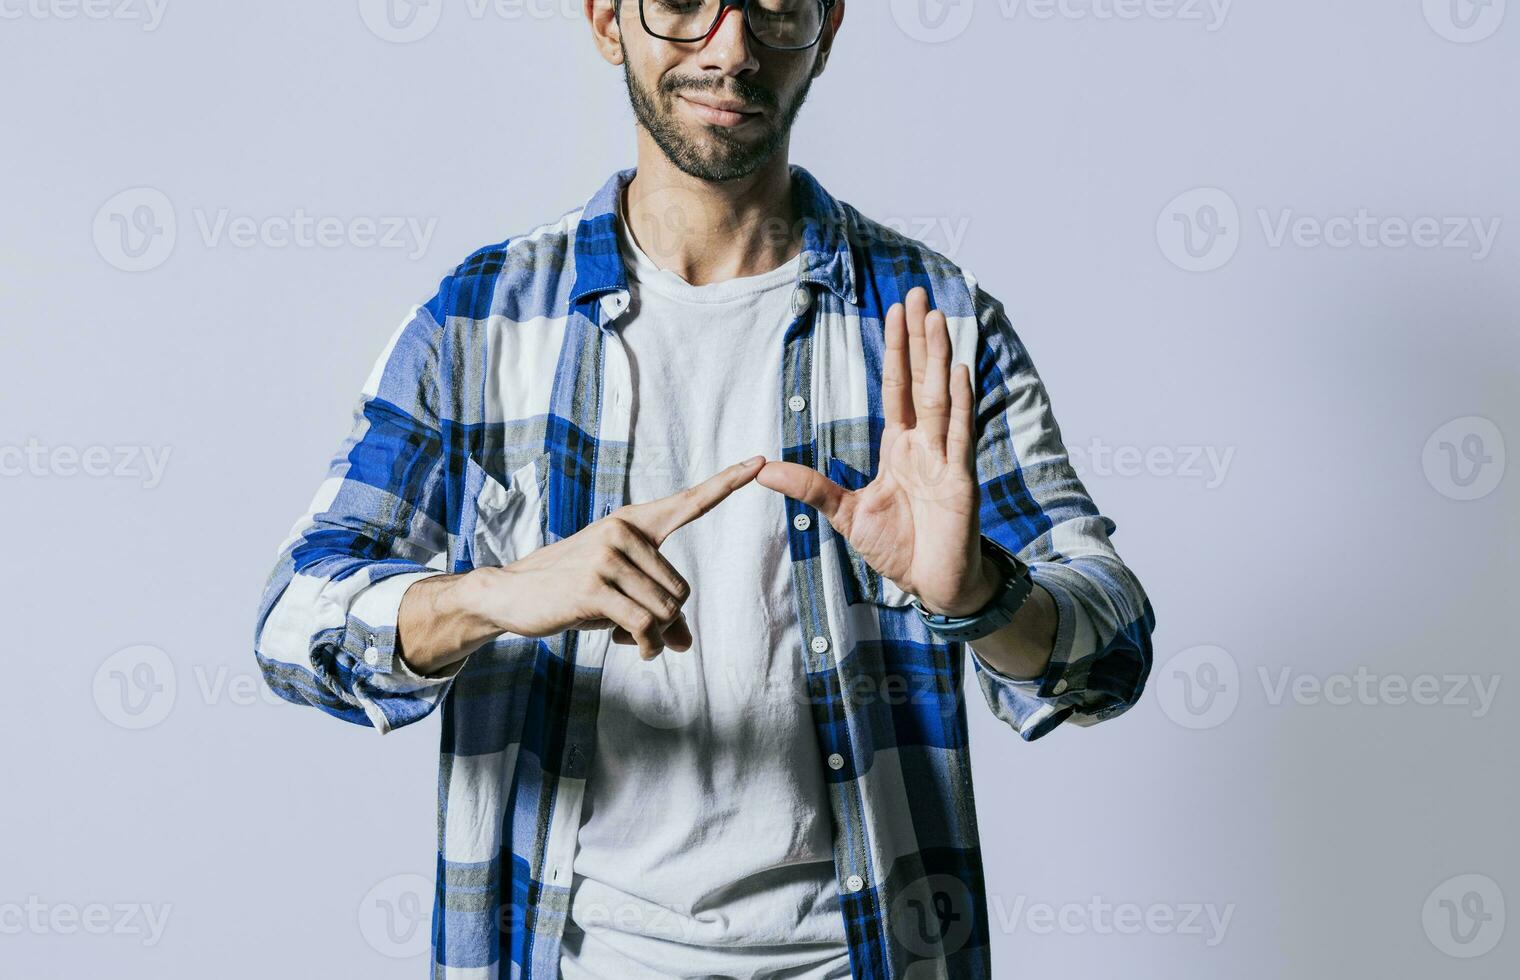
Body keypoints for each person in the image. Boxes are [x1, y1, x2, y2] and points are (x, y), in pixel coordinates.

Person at [253, 1, 1156, 976]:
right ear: (607, 20)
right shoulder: (482, 317)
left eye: (775, 7)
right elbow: (293, 624)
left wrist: (978, 591)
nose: (730, 48)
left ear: (825, 28)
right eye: (683, 2)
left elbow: (1107, 655)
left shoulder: (931, 320)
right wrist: (488, 594)